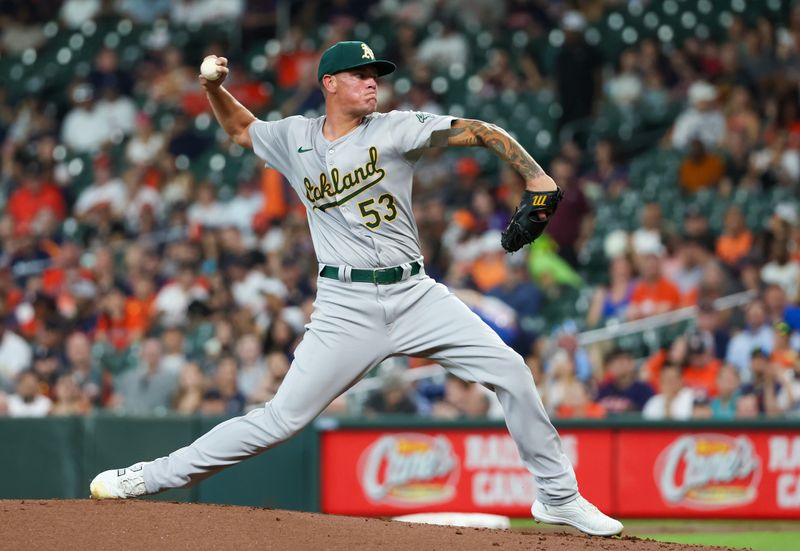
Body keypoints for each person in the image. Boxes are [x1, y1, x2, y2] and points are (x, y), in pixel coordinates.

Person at [89, 40, 622, 536]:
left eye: (375, 74)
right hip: (345, 306)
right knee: (280, 419)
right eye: (359, 74)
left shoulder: (395, 128)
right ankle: (151, 477)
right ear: (329, 83)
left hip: (416, 294)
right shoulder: (294, 137)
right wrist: (211, 89)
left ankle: (557, 496)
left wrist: (536, 178)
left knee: (511, 372)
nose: (372, 82)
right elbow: (240, 130)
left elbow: (480, 130)